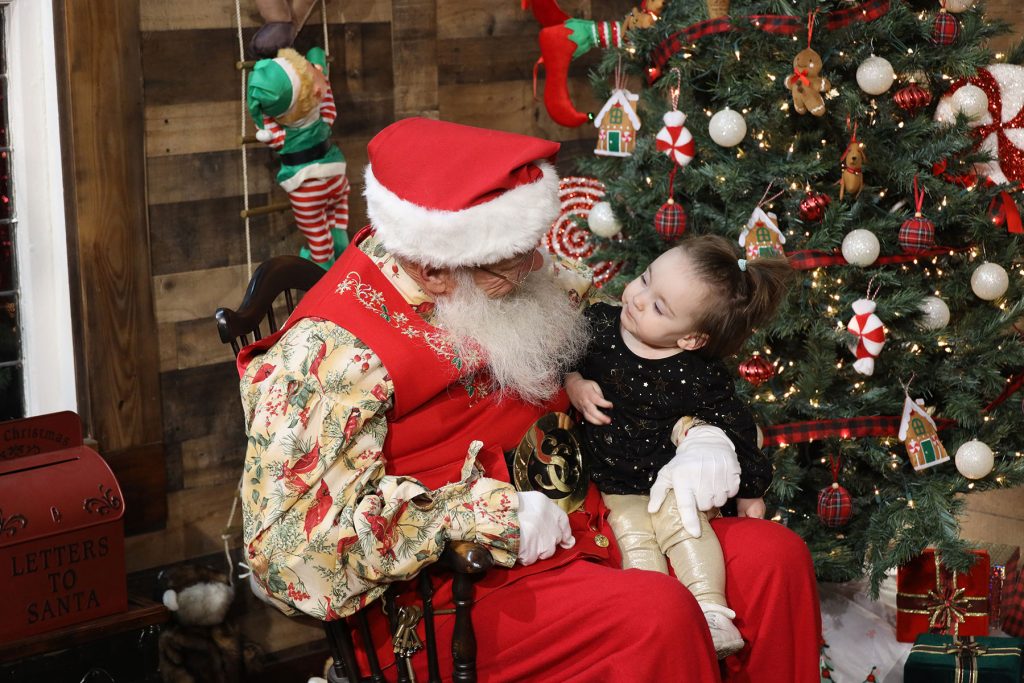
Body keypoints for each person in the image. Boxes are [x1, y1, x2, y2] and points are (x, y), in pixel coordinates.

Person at [237, 117, 821, 681]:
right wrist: (487, 514)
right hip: (454, 591)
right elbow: (289, 556)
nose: (539, 265)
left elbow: (645, 341)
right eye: (514, 258)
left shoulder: (508, 277)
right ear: (438, 268)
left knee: (775, 559)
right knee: (656, 617)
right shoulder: (329, 358)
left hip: (590, 520)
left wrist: (705, 433)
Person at [565, 235, 792, 658]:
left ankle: (711, 612)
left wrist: (751, 492)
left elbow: (736, 426)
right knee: (634, 538)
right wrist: (576, 385)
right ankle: (656, 614)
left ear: (691, 338)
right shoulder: (598, 325)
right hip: (613, 482)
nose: (636, 298)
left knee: (687, 528)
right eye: (645, 279)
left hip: (672, 483)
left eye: (658, 306)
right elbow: (563, 360)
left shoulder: (697, 373)